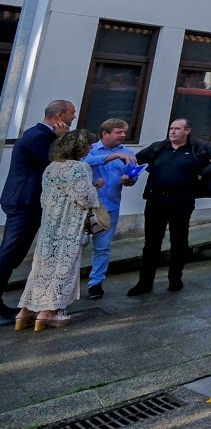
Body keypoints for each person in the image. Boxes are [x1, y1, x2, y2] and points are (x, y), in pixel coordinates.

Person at [127, 118, 211, 295]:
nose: (173, 132)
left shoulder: (197, 147)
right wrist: (128, 172)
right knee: (151, 242)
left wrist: (203, 173)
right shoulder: (159, 147)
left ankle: (175, 279)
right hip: (156, 200)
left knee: (179, 240)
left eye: (177, 129)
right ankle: (145, 283)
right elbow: (135, 160)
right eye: (171, 128)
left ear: (187, 131)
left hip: (182, 200)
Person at [12, 129, 101, 331]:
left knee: (42, 267)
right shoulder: (80, 167)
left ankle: (25, 312)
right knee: (64, 266)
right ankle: (48, 312)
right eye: (88, 144)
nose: (90, 148)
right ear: (80, 147)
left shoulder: (51, 167)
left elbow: (46, 196)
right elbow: (85, 198)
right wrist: (96, 187)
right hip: (69, 224)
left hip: (50, 222)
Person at [0, 100, 75, 323]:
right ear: (59, 115)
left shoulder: (40, 135)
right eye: (71, 113)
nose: (73, 118)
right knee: (9, 252)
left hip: (27, 201)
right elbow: (55, 164)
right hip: (25, 201)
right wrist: (62, 140)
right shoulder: (37, 137)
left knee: (14, 252)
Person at [83, 119, 138, 299]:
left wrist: (129, 179)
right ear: (105, 134)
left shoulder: (128, 153)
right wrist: (113, 157)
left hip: (110, 207)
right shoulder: (89, 149)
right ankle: (67, 282)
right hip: (85, 206)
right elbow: (85, 163)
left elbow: (132, 176)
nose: (123, 135)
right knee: (77, 246)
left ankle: (95, 284)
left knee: (103, 247)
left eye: (124, 132)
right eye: (118, 132)